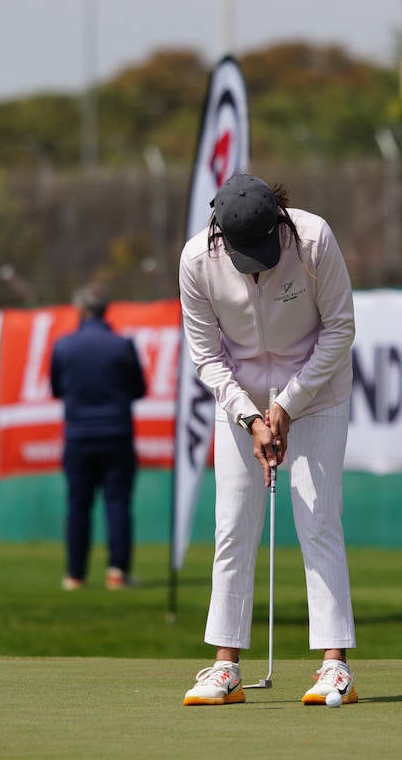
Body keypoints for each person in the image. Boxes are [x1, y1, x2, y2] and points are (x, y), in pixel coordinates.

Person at [177, 172, 357, 707]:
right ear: (219, 235)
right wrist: (251, 417)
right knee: (232, 526)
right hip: (241, 403)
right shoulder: (195, 262)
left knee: (318, 519)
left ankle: (334, 666)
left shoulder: (313, 240)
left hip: (318, 391)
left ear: (280, 221)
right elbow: (206, 355)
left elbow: (340, 329)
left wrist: (286, 405)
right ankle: (225, 667)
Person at [49, 283, 147, 591]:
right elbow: (139, 389)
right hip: (116, 434)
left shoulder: (63, 346)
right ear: (106, 309)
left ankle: (74, 575)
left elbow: (56, 390)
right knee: (116, 503)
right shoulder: (122, 346)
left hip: (78, 436)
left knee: (78, 505)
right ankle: (117, 572)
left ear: (79, 309)